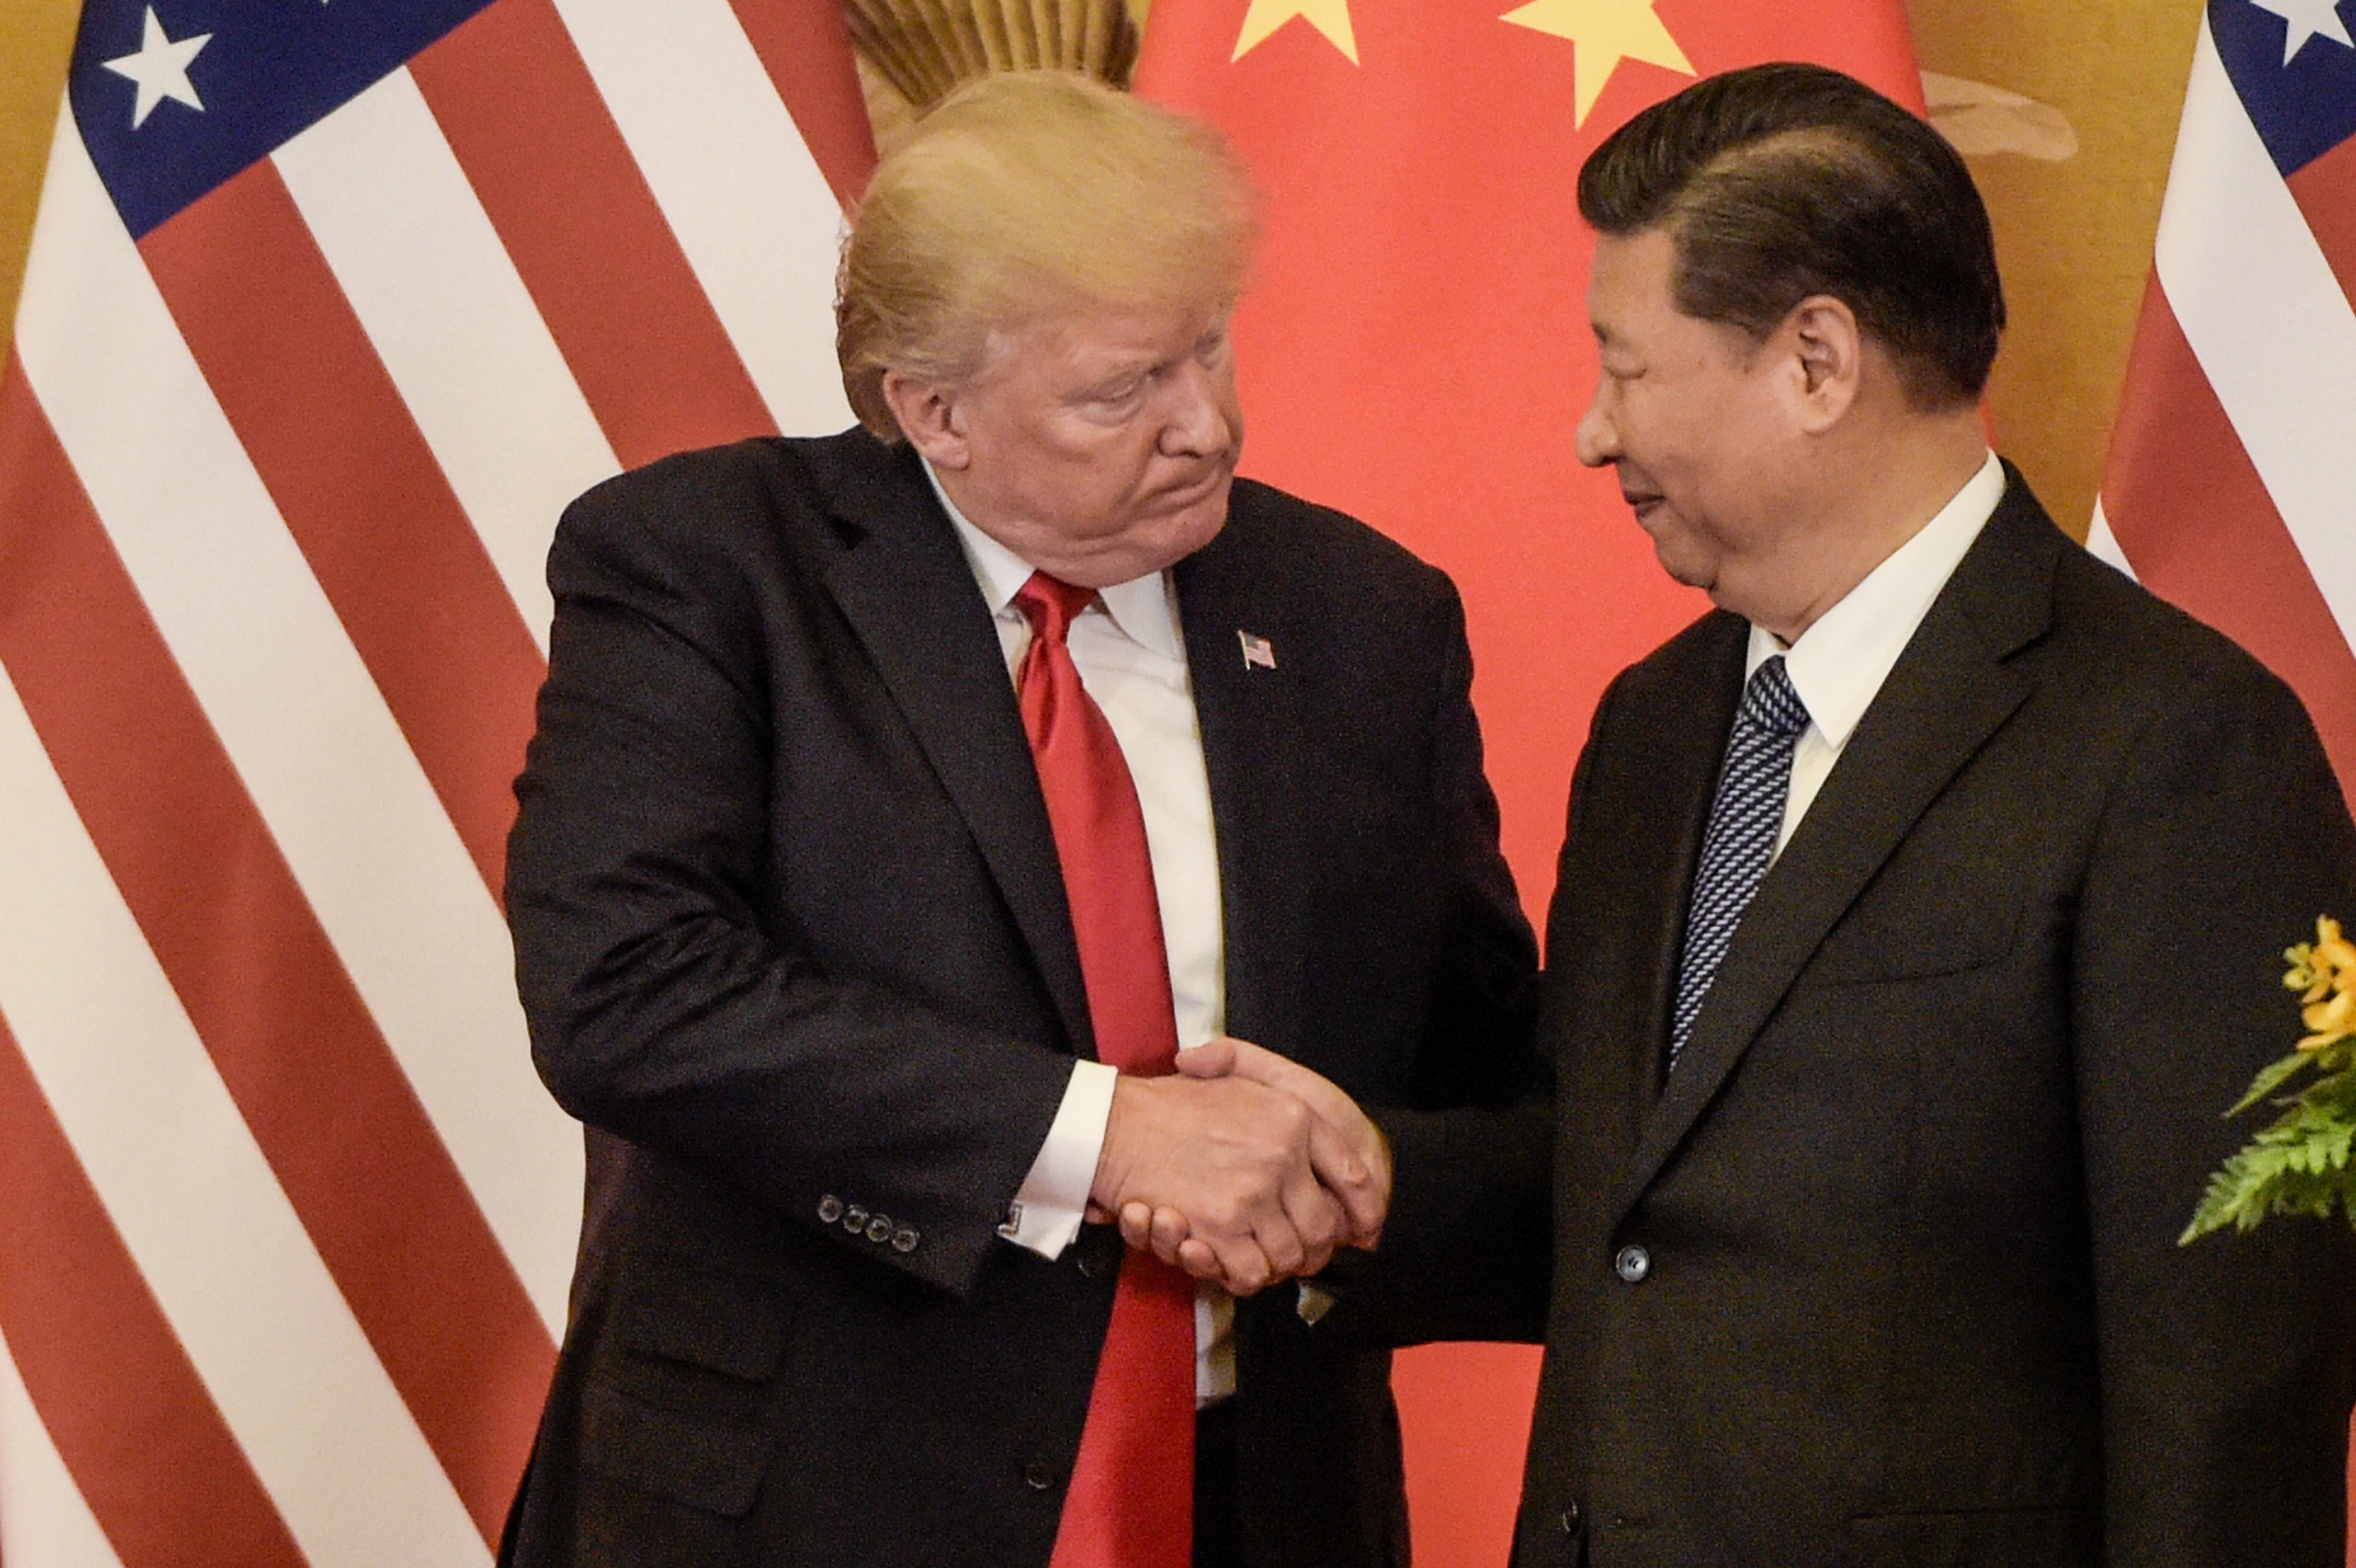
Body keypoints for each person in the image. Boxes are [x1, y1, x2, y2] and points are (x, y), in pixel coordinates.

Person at [1165, 61, 2356, 1566]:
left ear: (1814, 363)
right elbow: (1625, 1189)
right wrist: (1367, 1179)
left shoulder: (2179, 748)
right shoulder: (1656, 724)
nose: (1591, 435)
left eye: (1627, 368)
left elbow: (2230, 1378)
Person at [496, 69, 1536, 1568]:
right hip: (808, 1501)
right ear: (934, 413)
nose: (1206, 424)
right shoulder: (709, 571)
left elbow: (1483, 1068)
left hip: (1251, 1504)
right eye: (1123, 390)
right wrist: (1107, 1139)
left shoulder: (1361, 615)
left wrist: (1356, 1171)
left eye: (1208, 350)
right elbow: (626, 991)